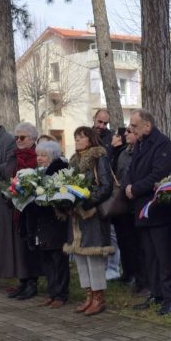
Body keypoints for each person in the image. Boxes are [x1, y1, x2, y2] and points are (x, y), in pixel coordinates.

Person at [126, 110, 171, 315]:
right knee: (149, 255)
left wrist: (135, 188)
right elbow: (131, 170)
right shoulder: (140, 143)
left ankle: (169, 298)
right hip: (143, 210)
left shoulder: (163, 144)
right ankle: (156, 293)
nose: (131, 129)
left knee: (163, 256)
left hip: (161, 211)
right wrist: (127, 186)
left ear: (147, 126)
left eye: (134, 125)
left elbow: (159, 175)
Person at [65, 127, 114, 315]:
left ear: (90, 139)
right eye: (75, 136)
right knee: (80, 256)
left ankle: (99, 298)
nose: (77, 140)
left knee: (93, 257)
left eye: (81, 137)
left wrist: (87, 202)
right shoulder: (72, 161)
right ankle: (88, 295)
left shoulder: (99, 157)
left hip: (91, 215)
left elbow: (106, 186)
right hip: (76, 217)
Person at [23, 140, 70, 308]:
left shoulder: (60, 171)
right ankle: (52, 292)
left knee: (58, 259)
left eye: (44, 155)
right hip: (41, 222)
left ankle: (61, 294)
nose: (40, 158)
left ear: (53, 156)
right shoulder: (38, 173)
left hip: (55, 220)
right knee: (47, 259)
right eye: (38, 155)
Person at [0, 122, 42, 299]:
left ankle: (33, 282)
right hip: (16, 207)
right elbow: (6, 175)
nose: (18, 140)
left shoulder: (37, 156)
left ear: (32, 139)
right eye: (16, 137)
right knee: (20, 246)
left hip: (33, 208)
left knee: (31, 247)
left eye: (22, 137)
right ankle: (23, 281)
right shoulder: (13, 156)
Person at [109, 128, 145, 293]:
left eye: (131, 131)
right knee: (123, 241)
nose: (127, 134)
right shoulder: (123, 152)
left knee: (135, 243)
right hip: (121, 203)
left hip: (134, 204)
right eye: (127, 132)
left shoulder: (140, 153)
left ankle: (138, 275)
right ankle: (127, 272)